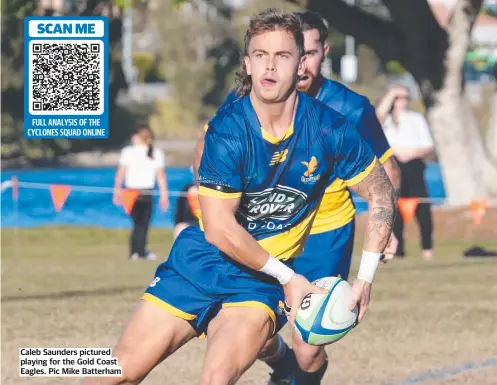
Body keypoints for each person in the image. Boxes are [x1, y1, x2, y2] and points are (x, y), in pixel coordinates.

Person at [86, 9, 396, 385]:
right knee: (114, 374)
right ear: (247, 65)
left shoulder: (332, 128)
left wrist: (365, 278)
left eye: (282, 56)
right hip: (200, 262)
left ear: (301, 64)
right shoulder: (228, 131)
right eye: (260, 56)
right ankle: (280, 359)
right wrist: (289, 278)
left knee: (215, 380)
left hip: (258, 284)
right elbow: (218, 229)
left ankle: (284, 361)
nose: (270, 66)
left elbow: (381, 192)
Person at [195, 11, 401, 385]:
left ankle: (301, 373)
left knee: (309, 343)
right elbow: (206, 146)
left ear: (323, 52)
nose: (299, 64)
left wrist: (388, 228)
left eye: (307, 53)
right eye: (291, 54)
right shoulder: (247, 96)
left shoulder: (350, 109)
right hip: (262, 232)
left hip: (325, 233)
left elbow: (387, 176)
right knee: (250, 333)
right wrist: (215, 204)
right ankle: (280, 362)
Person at [376, 85, 434, 260]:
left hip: (413, 166)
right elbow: (376, 118)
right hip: (392, 165)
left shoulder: (416, 119)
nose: (402, 101)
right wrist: (392, 93)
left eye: (405, 97)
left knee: (422, 208)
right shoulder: (385, 121)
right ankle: (397, 249)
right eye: (398, 98)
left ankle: (427, 249)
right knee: (393, 209)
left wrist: (411, 153)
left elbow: (428, 145)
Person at [113, 124, 169, 260]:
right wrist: (164, 195)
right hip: (144, 192)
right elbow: (161, 176)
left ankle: (136, 251)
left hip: (132, 192)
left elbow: (120, 173)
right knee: (143, 224)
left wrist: (117, 190)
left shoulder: (129, 152)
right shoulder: (156, 153)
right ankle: (138, 251)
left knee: (137, 223)